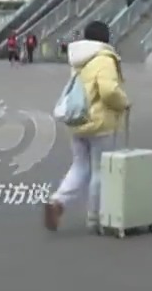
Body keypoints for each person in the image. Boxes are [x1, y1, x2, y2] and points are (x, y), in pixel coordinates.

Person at [43, 20, 131, 233]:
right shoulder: (104, 58)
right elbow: (108, 91)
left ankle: (58, 201)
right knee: (100, 171)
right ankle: (95, 217)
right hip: (100, 123)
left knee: (80, 166)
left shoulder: (79, 58)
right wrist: (124, 102)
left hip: (78, 120)